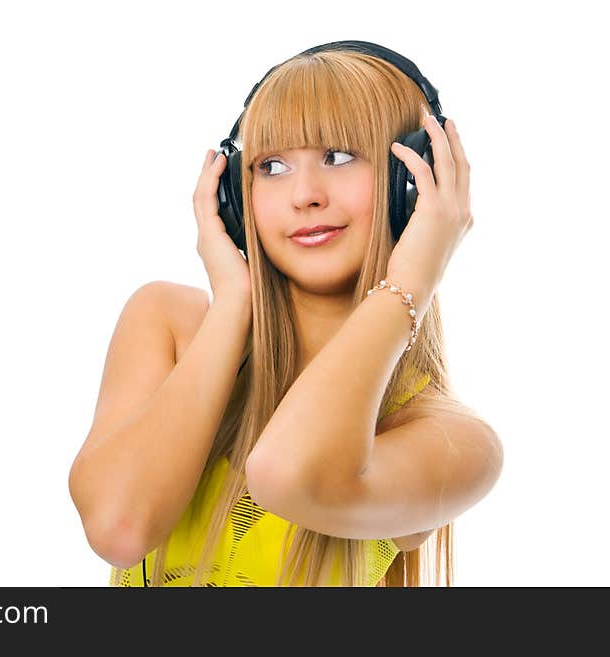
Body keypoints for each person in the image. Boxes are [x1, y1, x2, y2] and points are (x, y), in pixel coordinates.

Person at [68, 41, 503, 587]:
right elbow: (120, 527)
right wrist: (233, 303)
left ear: (413, 186)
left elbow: (287, 473)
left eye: (339, 156)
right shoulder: (169, 324)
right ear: (232, 193)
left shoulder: (450, 441)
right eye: (271, 166)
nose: (304, 195)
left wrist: (411, 282)